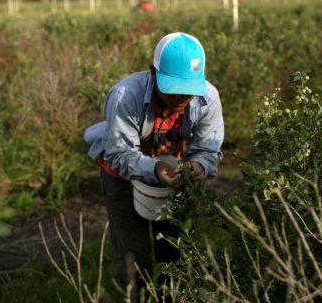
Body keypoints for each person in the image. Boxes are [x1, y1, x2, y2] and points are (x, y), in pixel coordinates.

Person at [83, 32, 224, 293]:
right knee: (134, 253)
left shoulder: (208, 98)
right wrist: (154, 167)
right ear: (153, 73)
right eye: (173, 89)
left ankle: (172, 294)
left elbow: (208, 149)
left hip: (172, 172)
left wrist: (199, 167)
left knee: (174, 247)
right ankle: (137, 295)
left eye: (189, 90)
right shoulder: (125, 96)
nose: (182, 97)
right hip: (121, 173)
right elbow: (120, 153)